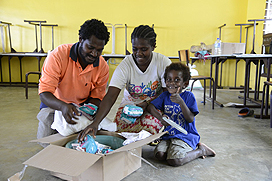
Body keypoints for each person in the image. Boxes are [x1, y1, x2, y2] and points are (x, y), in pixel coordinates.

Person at [78, 25, 172, 142]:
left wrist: (148, 104)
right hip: (130, 105)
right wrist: (96, 123)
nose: (139, 53)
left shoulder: (163, 63)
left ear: (153, 47)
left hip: (155, 105)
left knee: (148, 130)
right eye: (135, 49)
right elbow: (111, 96)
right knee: (119, 132)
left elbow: (167, 94)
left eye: (144, 49)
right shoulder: (125, 66)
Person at [37, 19, 110, 142]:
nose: (94, 53)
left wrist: (87, 112)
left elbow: (97, 97)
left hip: (83, 107)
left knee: (94, 138)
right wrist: (63, 107)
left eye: (99, 50)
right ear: (81, 39)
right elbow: (44, 93)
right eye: (90, 47)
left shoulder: (102, 66)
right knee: (47, 141)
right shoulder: (58, 55)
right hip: (54, 103)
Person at [146, 62, 216, 166]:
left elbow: (190, 119)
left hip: (185, 136)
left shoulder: (188, 96)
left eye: (177, 80)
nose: (172, 83)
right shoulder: (165, 96)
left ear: (185, 84)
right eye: (169, 79)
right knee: (159, 155)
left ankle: (201, 151)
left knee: (174, 161)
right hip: (168, 135)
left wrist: (181, 102)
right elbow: (150, 107)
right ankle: (173, 149)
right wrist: (161, 118)